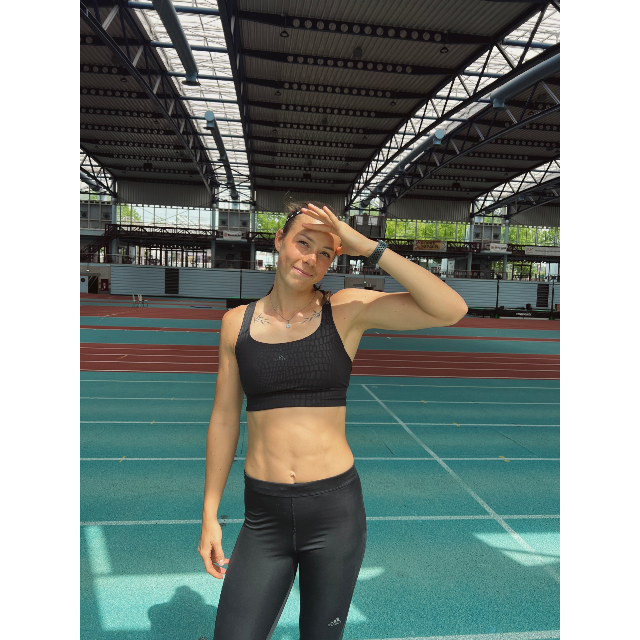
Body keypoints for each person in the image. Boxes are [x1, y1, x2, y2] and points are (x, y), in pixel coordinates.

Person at [199, 201, 468, 639]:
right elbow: (225, 419)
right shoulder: (236, 324)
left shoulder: (345, 310)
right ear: (279, 241)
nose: (311, 259)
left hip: (333, 515)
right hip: (263, 516)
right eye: (303, 243)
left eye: (325, 253)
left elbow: (450, 308)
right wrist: (210, 513)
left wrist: (368, 247)